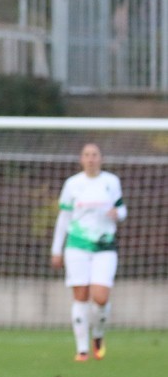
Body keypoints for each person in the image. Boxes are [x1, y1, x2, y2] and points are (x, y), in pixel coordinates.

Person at [50, 143, 126, 362]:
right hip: (77, 246)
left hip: (105, 246)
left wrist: (117, 213)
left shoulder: (111, 182)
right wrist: (57, 249)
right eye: (87, 155)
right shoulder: (73, 184)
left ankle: (98, 336)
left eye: (95, 155)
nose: (91, 158)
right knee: (80, 295)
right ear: (81, 159)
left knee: (100, 297)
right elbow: (64, 218)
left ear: (100, 158)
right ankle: (82, 349)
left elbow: (122, 208)